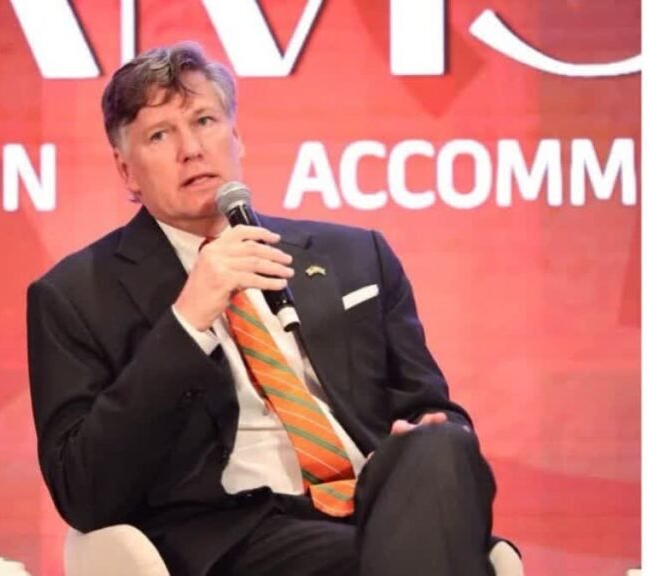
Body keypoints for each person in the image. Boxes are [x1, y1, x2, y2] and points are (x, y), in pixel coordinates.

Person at [27, 41, 512, 576]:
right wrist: (188, 321)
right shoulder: (75, 296)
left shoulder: (356, 256)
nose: (191, 149)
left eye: (205, 121)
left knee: (441, 448)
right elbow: (84, 491)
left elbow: (430, 406)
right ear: (127, 172)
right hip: (236, 536)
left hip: (380, 505)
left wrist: (418, 436)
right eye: (160, 135)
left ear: (236, 137)